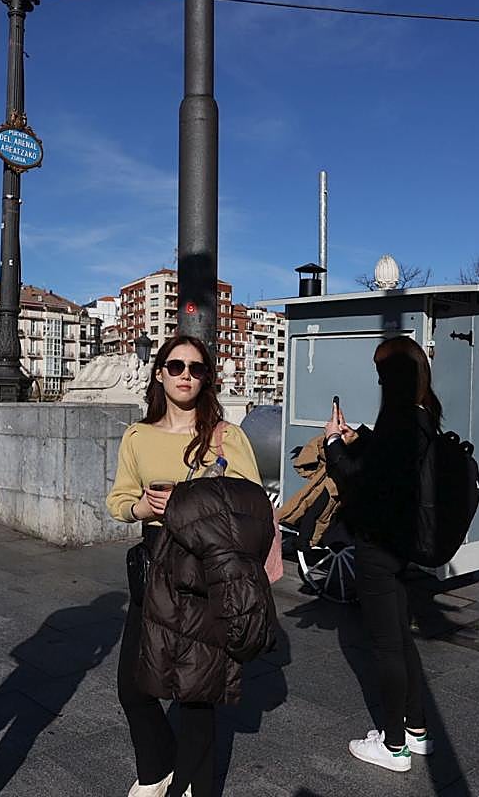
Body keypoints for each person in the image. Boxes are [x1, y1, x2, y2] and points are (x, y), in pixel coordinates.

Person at [107, 334, 264, 797]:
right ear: (159, 373)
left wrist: (187, 501)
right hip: (155, 560)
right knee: (132, 686)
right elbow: (118, 501)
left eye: (196, 369)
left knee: (198, 689)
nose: (185, 376)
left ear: (206, 378)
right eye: (175, 367)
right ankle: (157, 769)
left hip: (204, 568)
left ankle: (198, 784)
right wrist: (144, 509)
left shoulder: (225, 436)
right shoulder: (137, 435)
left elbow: (251, 503)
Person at [323, 336, 436, 773]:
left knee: (386, 645)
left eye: (379, 372)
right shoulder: (423, 414)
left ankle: (393, 746)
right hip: (403, 540)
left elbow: (357, 479)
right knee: (401, 638)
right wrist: (360, 437)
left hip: (377, 542)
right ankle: (417, 729)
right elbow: (388, 465)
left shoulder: (399, 419)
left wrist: (334, 443)